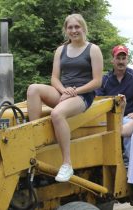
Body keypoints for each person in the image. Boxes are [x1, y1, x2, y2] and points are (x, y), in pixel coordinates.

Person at [26, 14, 103, 182]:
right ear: (66, 30)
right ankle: (35, 141)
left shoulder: (93, 49)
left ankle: (67, 164)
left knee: (57, 114)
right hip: (63, 92)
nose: (74, 30)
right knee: (33, 89)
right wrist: (63, 91)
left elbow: (97, 81)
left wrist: (74, 92)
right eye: (70, 27)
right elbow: (54, 78)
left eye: (77, 27)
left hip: (83, 94)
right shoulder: (61, 50)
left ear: (83, 28)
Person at [95, 45, 133, 162]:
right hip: (109, 117)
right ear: (112, 60)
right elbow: (98, 99)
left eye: (123, 58)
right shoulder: (105, 79)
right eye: (118, 58)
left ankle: (131, 162)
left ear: (127, 60)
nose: (121, 61)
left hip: (130, 116)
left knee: (129, 126)